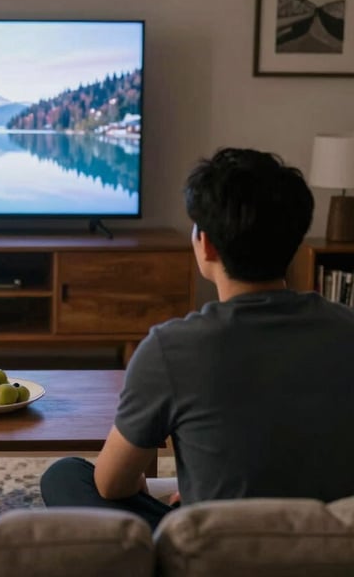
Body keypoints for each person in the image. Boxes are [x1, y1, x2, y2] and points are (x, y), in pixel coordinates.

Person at [40, 147, 354, 529]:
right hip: (327, 545)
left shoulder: (171, 348)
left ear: (205, 244)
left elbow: (111, 485)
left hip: (211, 550)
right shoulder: (346, 328)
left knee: (66, 476)